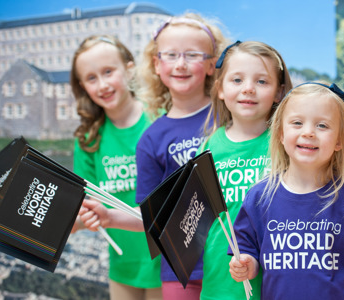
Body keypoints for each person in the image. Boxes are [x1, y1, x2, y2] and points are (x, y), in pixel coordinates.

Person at [78, 13, 228, 300]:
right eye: (171, 55)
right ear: (157, 65)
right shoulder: (151, 139)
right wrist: (109, 216)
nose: (181, 64)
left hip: (235, 262)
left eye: (192, 54)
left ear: (212, 64)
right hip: (180, 272)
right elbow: (153, 219)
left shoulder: (231, 116)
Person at [228, 82, 344, 299]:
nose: (308, 132)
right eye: (297, 123)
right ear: (281, 133)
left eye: (322, 126)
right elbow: (249, 254)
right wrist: (245, 265)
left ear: (340, 140)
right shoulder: (259, 197)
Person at [198, 41, 292, 300]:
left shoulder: (287, 143)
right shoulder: (209, 147)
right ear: (220, 89)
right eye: (237, 80)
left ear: (279, 92)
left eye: (262, 82)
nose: (248, 88)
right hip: (221, 285)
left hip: (278, 282)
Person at [70, 35, 162, 300]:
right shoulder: (87, 140)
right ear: (82, 86)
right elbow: (86, 208)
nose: (102, 85)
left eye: (108, 72)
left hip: (168, 265)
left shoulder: (160, 120)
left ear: (129, 68)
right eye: (91, 78)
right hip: (122, 268)